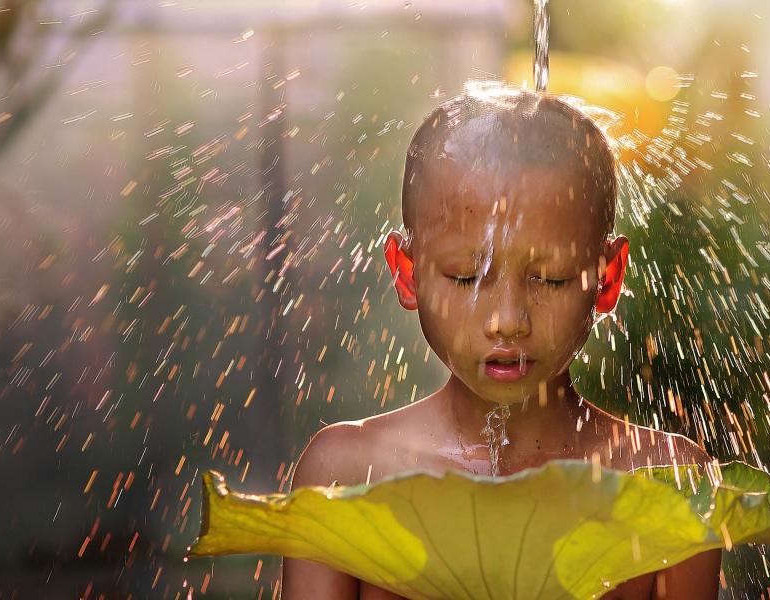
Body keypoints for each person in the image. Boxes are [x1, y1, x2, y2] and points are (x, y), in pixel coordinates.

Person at [282, 84, 721, 600]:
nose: (508, 320)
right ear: (407, 273)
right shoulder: (348, 474)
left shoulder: (667, 484)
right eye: (467, 277)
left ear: (607, 277)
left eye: (552, 279)